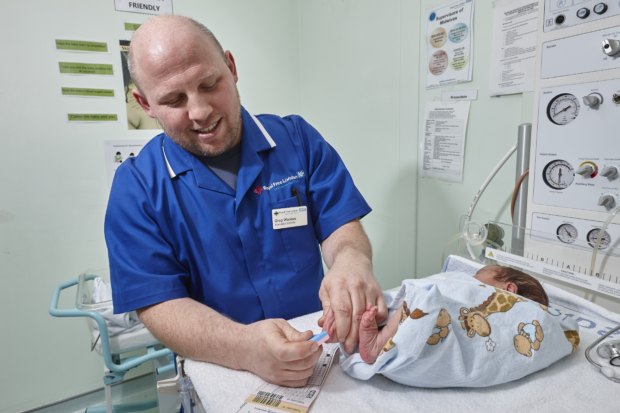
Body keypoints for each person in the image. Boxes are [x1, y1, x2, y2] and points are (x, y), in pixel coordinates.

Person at [104, 15, 387, 387]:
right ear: (145, 104)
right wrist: (243, 348)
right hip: (223, 367)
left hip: (320, 352)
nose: (200, 111)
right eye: (173, 99)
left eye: (209, 84)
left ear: (232, 68)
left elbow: (342, 226)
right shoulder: (136, 188)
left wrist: (351, 261)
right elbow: (158, 304)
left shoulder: (297, 140)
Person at [321, 266, 580, 388]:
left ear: (509, 289)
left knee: (425, 298)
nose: (473, 277)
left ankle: (376, 341)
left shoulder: (511, 307)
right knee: (412, 308)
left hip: (433, 333)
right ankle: (359, 332)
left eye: (482, 273)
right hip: (424, 335)